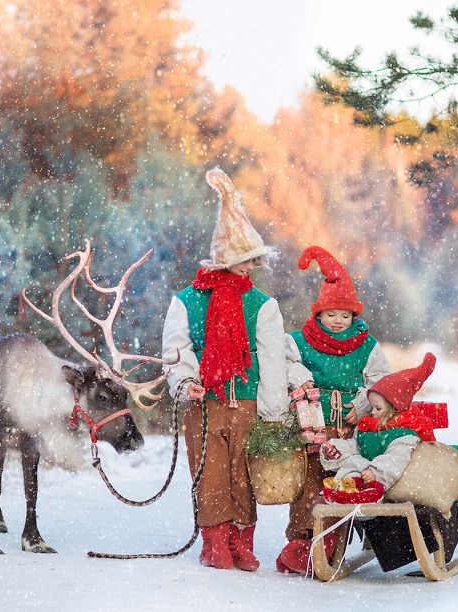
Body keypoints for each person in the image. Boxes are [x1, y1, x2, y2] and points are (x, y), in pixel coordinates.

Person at [161, 168, 288, 572]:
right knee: (209, 470)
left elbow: (270, 359)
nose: (250, 268)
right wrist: (185, 381)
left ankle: (241, 539)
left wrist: (273, 408)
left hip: (248, 401)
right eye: (243, 261)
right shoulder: (187, 301)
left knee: (244, 472)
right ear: (225, 260)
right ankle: (215, 539)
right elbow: (177, 348)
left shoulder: (262, 305)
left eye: (254, 261)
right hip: (205, 402)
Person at [277, 246, 391, 572]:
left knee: (344, 483)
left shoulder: (366, 345)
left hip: (351, 428)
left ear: (354, 316)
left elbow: (381, 380)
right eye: (331, 315)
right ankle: (301, 546)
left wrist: (362, 402)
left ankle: (333, 543)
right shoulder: (299, 340)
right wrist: (303, 379)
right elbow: (281, 363)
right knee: (311, 486)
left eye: (345, 315)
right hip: (313, 425)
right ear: (318, 315)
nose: (338, 322)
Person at [278, 352, 439, 575]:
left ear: (396, 408)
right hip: (357, 483)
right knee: (321, 501)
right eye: (372, 407)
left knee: (332, 504)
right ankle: (311, 550)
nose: (372, 412)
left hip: (380, 488)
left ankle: (319, 554)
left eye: (378, 409)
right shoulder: (370, 428)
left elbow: (394, 461)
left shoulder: (404, 436)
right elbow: (355, 448)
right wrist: (336, 449)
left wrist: (375, 472)